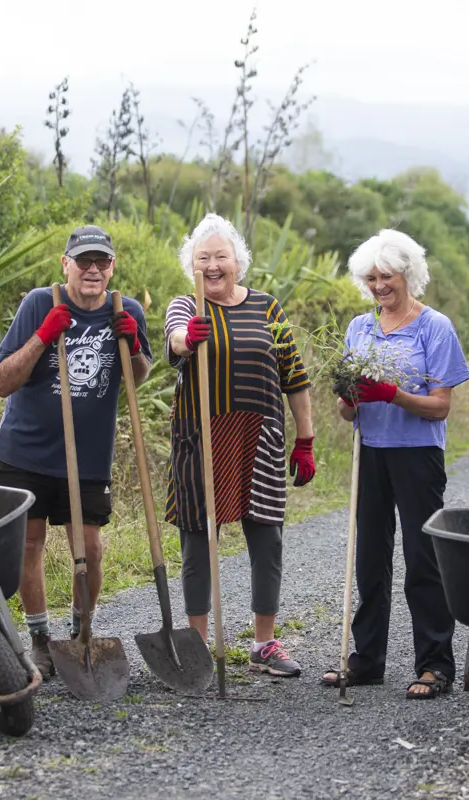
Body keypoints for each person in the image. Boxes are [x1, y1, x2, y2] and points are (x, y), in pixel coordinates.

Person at [0, 225, 152, 679]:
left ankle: (82, 631)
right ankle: (41, 638)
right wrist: (43, 335)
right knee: (28, 543)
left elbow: (135, 380)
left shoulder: (127, 309)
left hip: (87, 456)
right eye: (84, 261)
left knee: (92, 550)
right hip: (25, 451)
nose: (93, 270)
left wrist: (134, 344)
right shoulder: (41, 303)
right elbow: (1, 381)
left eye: (102, 262)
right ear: (66, 265)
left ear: (113, 267)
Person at [318, 229, 469, 699]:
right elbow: (347, 411)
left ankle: (435, 664)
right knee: (369, 558)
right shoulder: (358, 329)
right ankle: (366, 660)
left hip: (417, 455)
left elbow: (441, 406)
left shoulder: (434, 327)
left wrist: (394, 394)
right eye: (371, 278)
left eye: (387, 276)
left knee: (421, 557)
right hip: (372, 450)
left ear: (408, 275)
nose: (379, 286)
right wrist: (349, 398)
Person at [164, 213, 316, 678]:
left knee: (267, 538)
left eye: (220, 257)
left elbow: (294, 374)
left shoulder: (267, 307)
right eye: (202, 258)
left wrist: (305, 437)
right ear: (192, 265)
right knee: (197, 542)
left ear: (238, 262)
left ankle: (263, 644)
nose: (212, 266)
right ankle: (196, 644)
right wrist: (187, 340)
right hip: (201, 435)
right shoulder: (186, 305)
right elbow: (172, 343)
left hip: (260, 435)